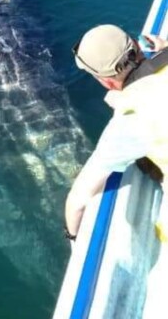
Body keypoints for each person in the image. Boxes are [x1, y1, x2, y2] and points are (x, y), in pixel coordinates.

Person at [65, 24, 168, 241]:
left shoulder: (129, 122)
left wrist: (72, 236)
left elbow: (78, 199)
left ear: (106, 81)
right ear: (138, 48)